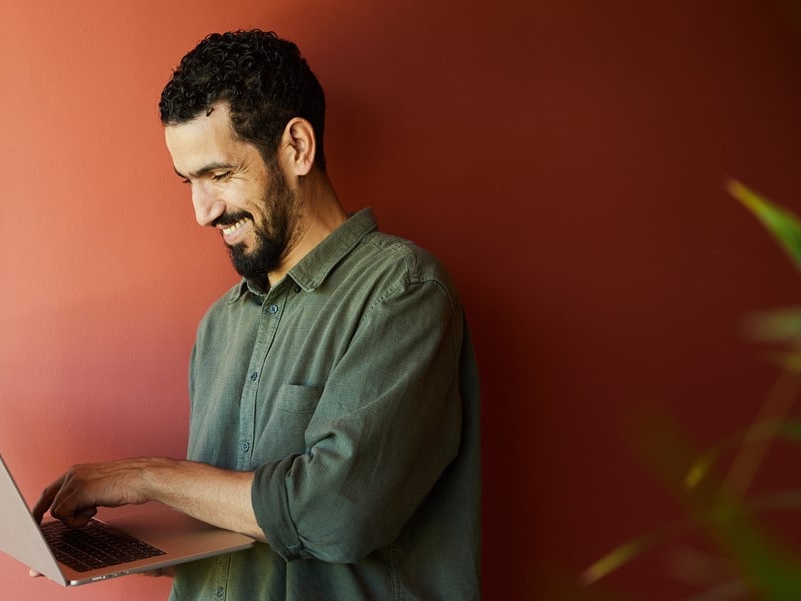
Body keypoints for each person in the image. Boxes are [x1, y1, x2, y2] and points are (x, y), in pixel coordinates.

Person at [32, 30, 481, 600]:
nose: (203, 211)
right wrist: (115, 550)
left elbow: (332, 517)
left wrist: (146, 476)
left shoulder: (402, 292)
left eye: (220, 175)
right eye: (189, 182)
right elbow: (238, 523)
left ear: (296, 147)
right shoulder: (221, 323)